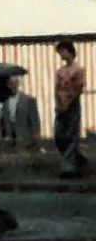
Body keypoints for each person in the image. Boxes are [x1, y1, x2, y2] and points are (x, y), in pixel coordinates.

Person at [51, 42, 84, 175]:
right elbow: (56, 88)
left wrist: (69, 103)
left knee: (71, 135)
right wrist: (57, 104)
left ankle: (69, 167)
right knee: (59, 136)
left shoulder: (78, 70)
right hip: (61, 106)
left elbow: (79, 88)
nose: (61, 54)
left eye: (62, 51)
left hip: (72, 105)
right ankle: (76, 158)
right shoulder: (60, 71)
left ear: (69, 51)